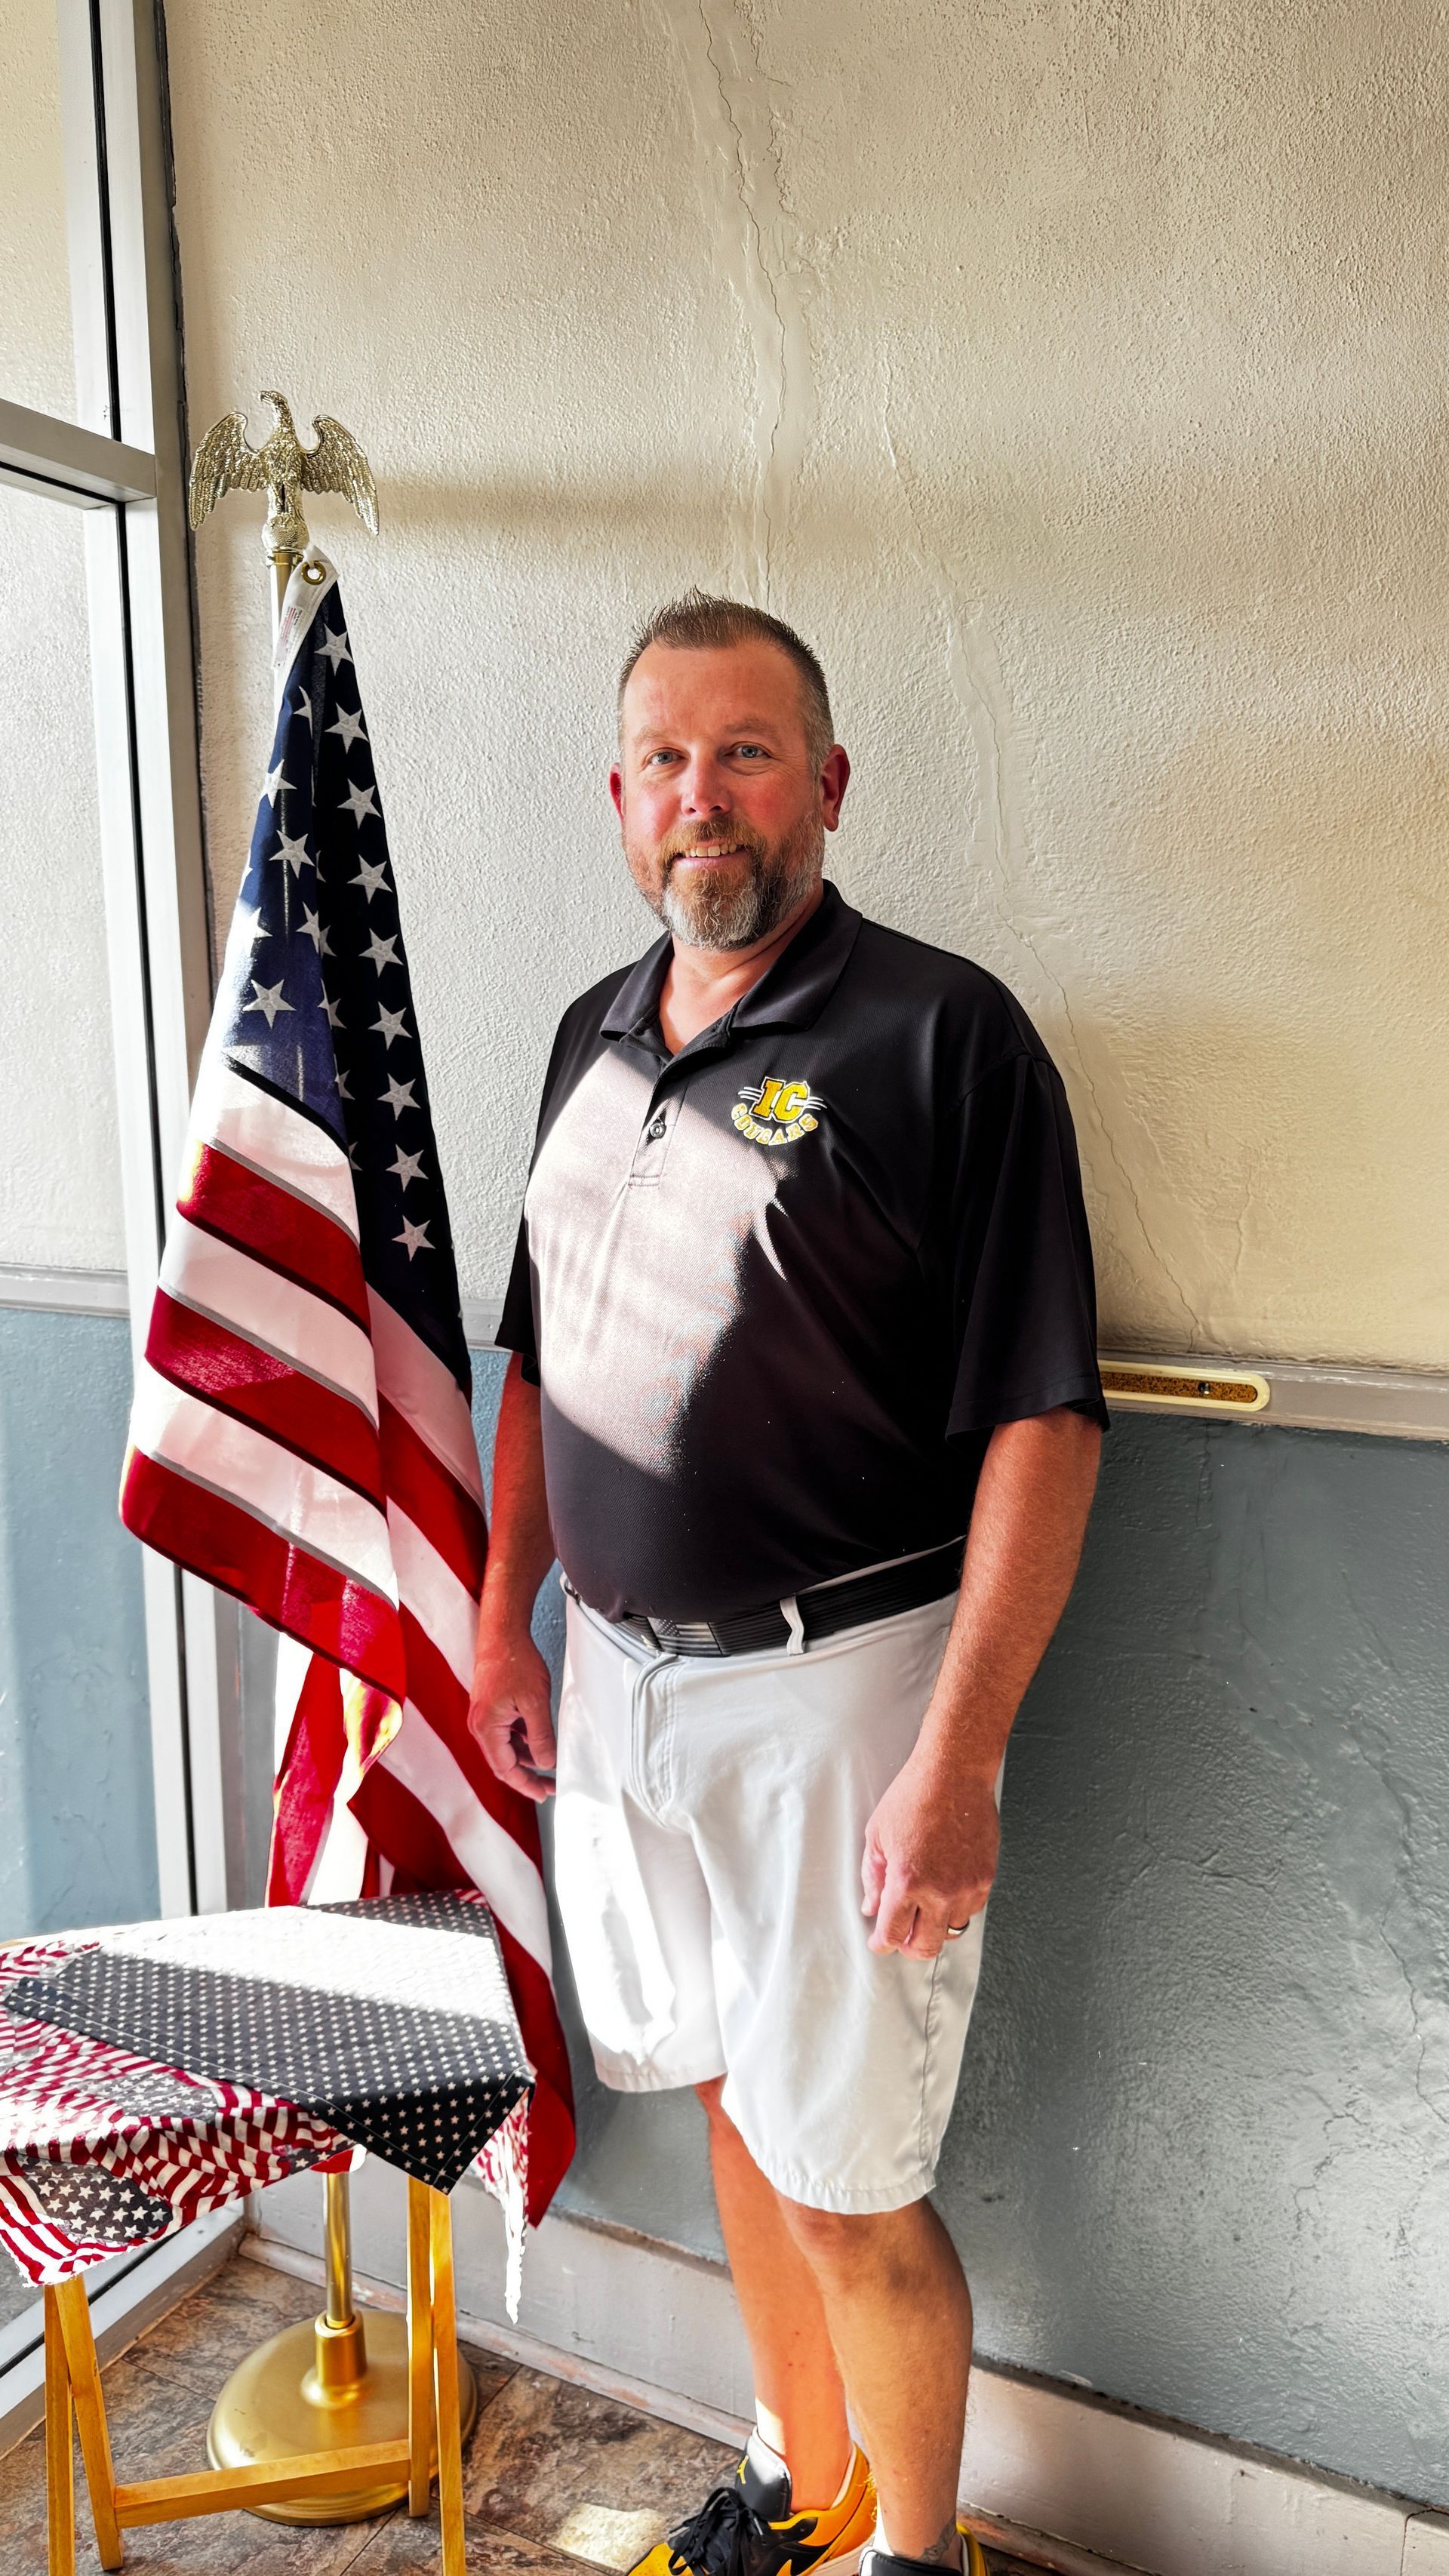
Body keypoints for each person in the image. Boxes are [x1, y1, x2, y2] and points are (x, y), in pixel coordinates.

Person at [469, 591, 1107, 2576]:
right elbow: (541, 1358)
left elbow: (1048, 1425)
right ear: (619, 799)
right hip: (621, 1685)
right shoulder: (586, 1033)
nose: (703, 797)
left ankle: (915, 2554)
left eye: (745, 753)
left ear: (826, 786)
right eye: (666, 758)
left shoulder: (945, 1036)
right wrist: (507, 1612)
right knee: (736, 2110)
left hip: (849, 1694)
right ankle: (797, 2481)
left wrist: (960, 1758)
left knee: (852, 2177)